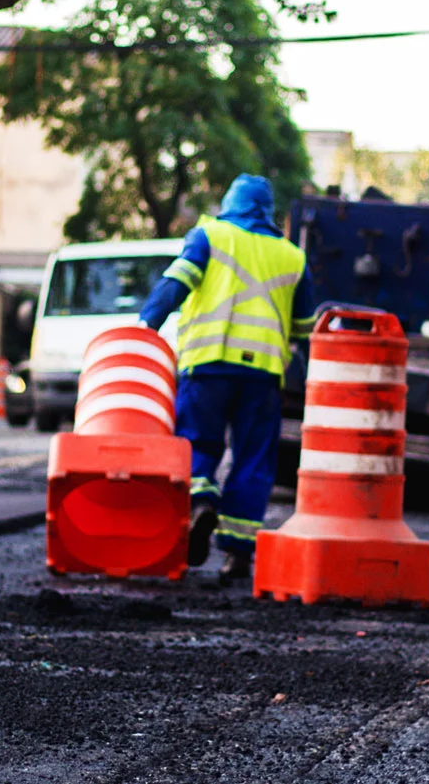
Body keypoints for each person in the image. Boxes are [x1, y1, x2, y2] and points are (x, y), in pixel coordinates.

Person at [137, 174, 316, 582]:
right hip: (264, 373)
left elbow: (175, 285)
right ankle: (238, 554)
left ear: (229, 203)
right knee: (253, 460)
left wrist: (146, 325)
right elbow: (306, 326)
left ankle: (201, 504)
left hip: (208, 365)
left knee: (197, 444)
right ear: (269, 211)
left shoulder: (209, 236)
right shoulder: (292, 256)